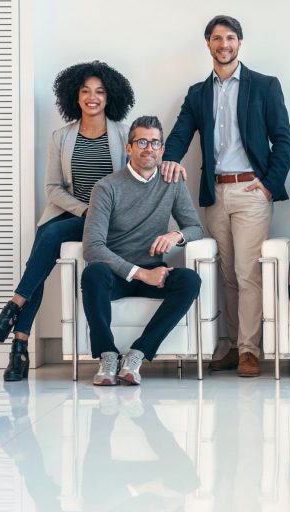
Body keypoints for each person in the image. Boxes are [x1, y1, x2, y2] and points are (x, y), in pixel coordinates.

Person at [0, 61, 134, 381]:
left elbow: (131, 183)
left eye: (99, 91)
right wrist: (82, 209)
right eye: (85, 91)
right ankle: (20, 343)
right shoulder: (61, 136)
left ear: (110, 97)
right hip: (73, 213)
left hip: (108, 219)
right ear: (74, 96)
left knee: (49, 237)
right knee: (44, 243)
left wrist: (97, 211)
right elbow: (53, 187)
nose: (92, 97)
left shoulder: (124, 134)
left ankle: (13, 313)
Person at [161, 15, 290, 378]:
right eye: (217, 38)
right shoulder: (198, 93)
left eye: (230, 38)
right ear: (208, 44)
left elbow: (283, 139)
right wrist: (170, 158)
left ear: (240, 42)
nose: (224, 44)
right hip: (215, 192)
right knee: (228, 275)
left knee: (248, 273)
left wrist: (268, 185)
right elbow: (180, 134)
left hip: (252, 191)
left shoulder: (265, 86)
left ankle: (251, 350)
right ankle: (235, 346)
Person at [82, 116, 204, 386]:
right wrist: (139, 273)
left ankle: (138, 353)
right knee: (92, 274)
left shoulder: (171, 183)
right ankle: (107, 355)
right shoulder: (107, 187)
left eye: (155, 142)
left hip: (154, 273)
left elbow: (196, 227)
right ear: (129, 148)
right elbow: (92, 247)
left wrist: (176, 235)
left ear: (162, 149)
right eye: (142, 142)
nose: (149, 148)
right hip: (116, 274)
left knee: (190, 281)